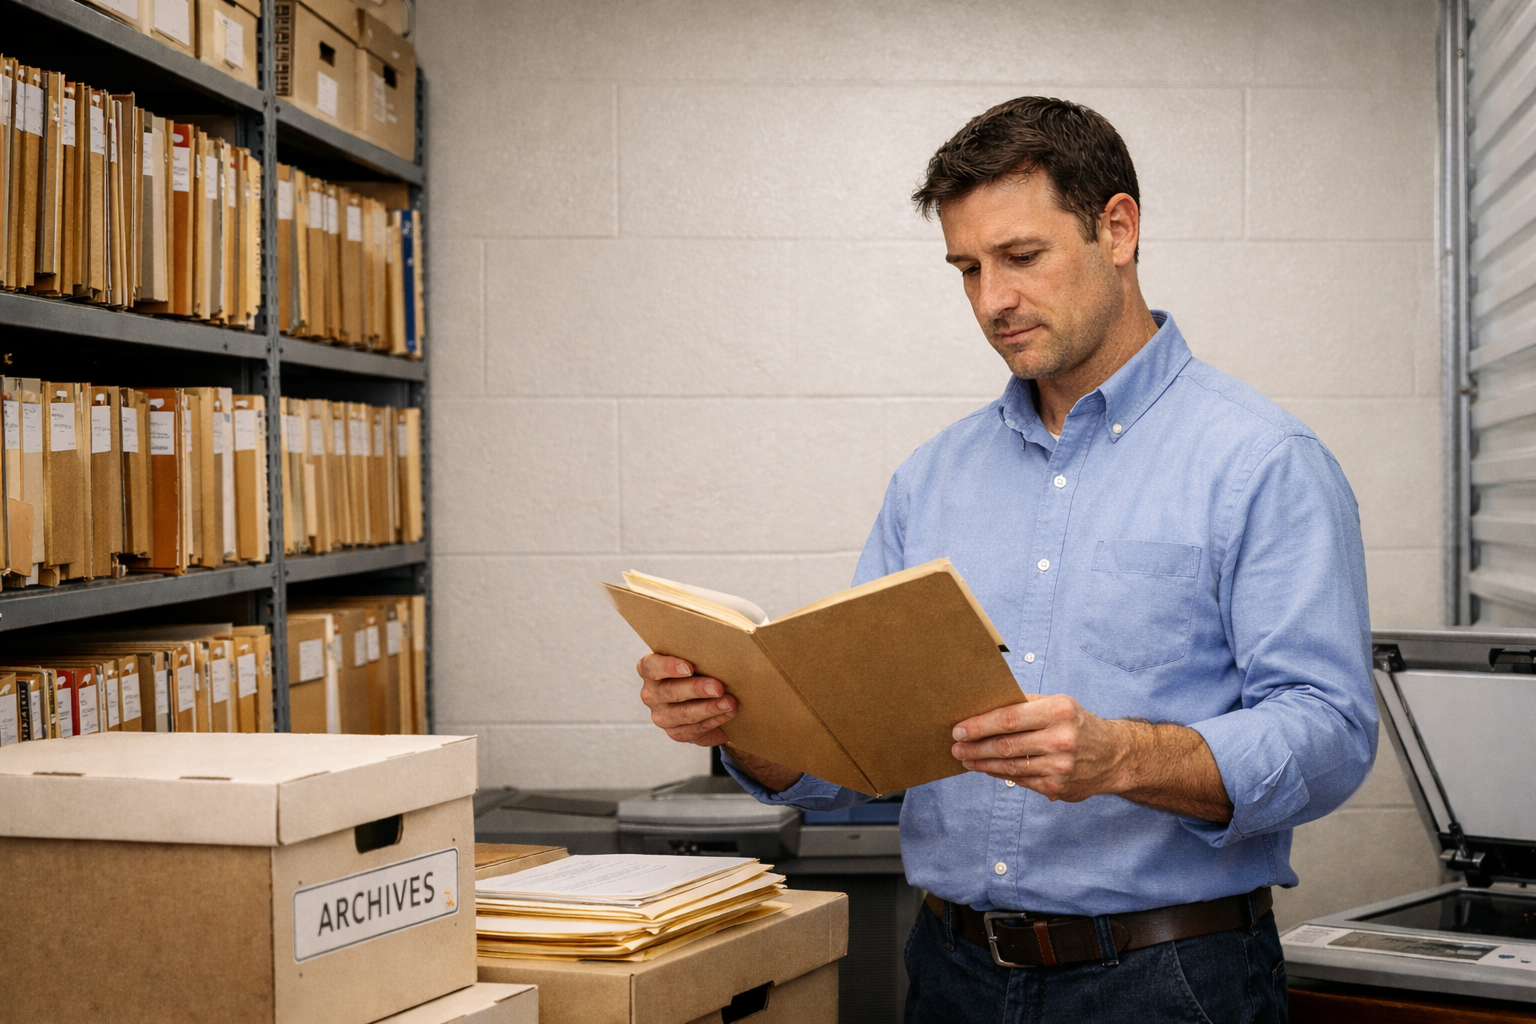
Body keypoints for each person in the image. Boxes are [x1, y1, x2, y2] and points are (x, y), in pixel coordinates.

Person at [635, 96, 1375, 1023]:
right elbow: (858, 752)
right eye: (968, 269)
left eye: (1022, 258)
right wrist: (739, 721)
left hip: (1169, 981)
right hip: (951, 973)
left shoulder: (1263, 461)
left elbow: (1332, 733)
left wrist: (1121, 757)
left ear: (1118, 229)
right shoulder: (931, 478)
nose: (993, 301)